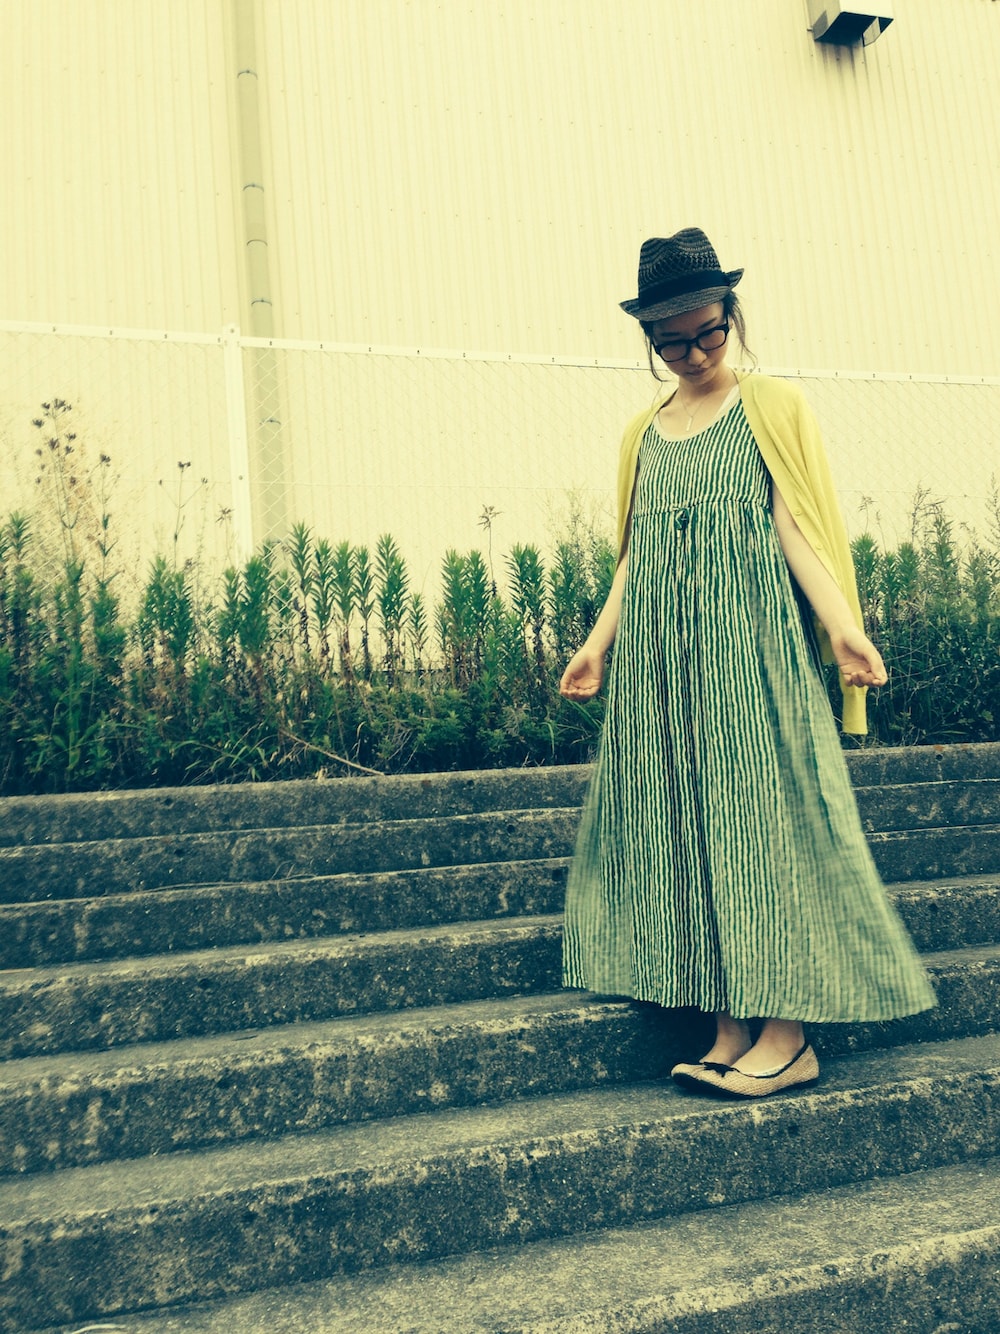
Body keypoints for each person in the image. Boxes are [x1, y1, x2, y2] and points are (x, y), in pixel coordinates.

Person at [559, 228, 936, 1099]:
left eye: (709, 333)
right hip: (665, 666)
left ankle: (789, 1035)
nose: (694, 355)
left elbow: (794, 527)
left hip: (750, 653)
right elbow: (635, 554)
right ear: (649, 340)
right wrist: (598, 643)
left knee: (763, 825)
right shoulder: (644, 434)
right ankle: (729, 1024)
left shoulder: (770, 405)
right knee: (687, 827)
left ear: (732, 316)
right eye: (672, 343)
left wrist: (842, 628)